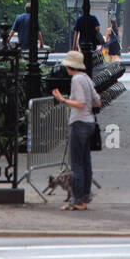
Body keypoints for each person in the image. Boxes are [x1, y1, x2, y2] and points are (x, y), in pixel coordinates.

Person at [51, 50, 100, 210]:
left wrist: (62, 99)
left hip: (79, 123)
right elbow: (97, 102)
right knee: (86, 163)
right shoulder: (86, 78)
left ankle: (77, 200)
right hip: (90, 123)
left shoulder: (77, 80)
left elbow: (80, 104)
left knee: (77, 164)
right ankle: (85, 197)